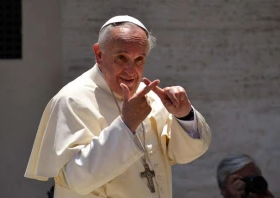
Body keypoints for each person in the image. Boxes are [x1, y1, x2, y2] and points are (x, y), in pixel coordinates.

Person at [25, 15, 211, 198]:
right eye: (121, 58)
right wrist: (126, 125)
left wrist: (183, 115)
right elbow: (76, 180)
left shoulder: (149, 97)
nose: (131, 71)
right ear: (99, 54)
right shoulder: (72, 100)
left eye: (139, 59)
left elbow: (185, 154)